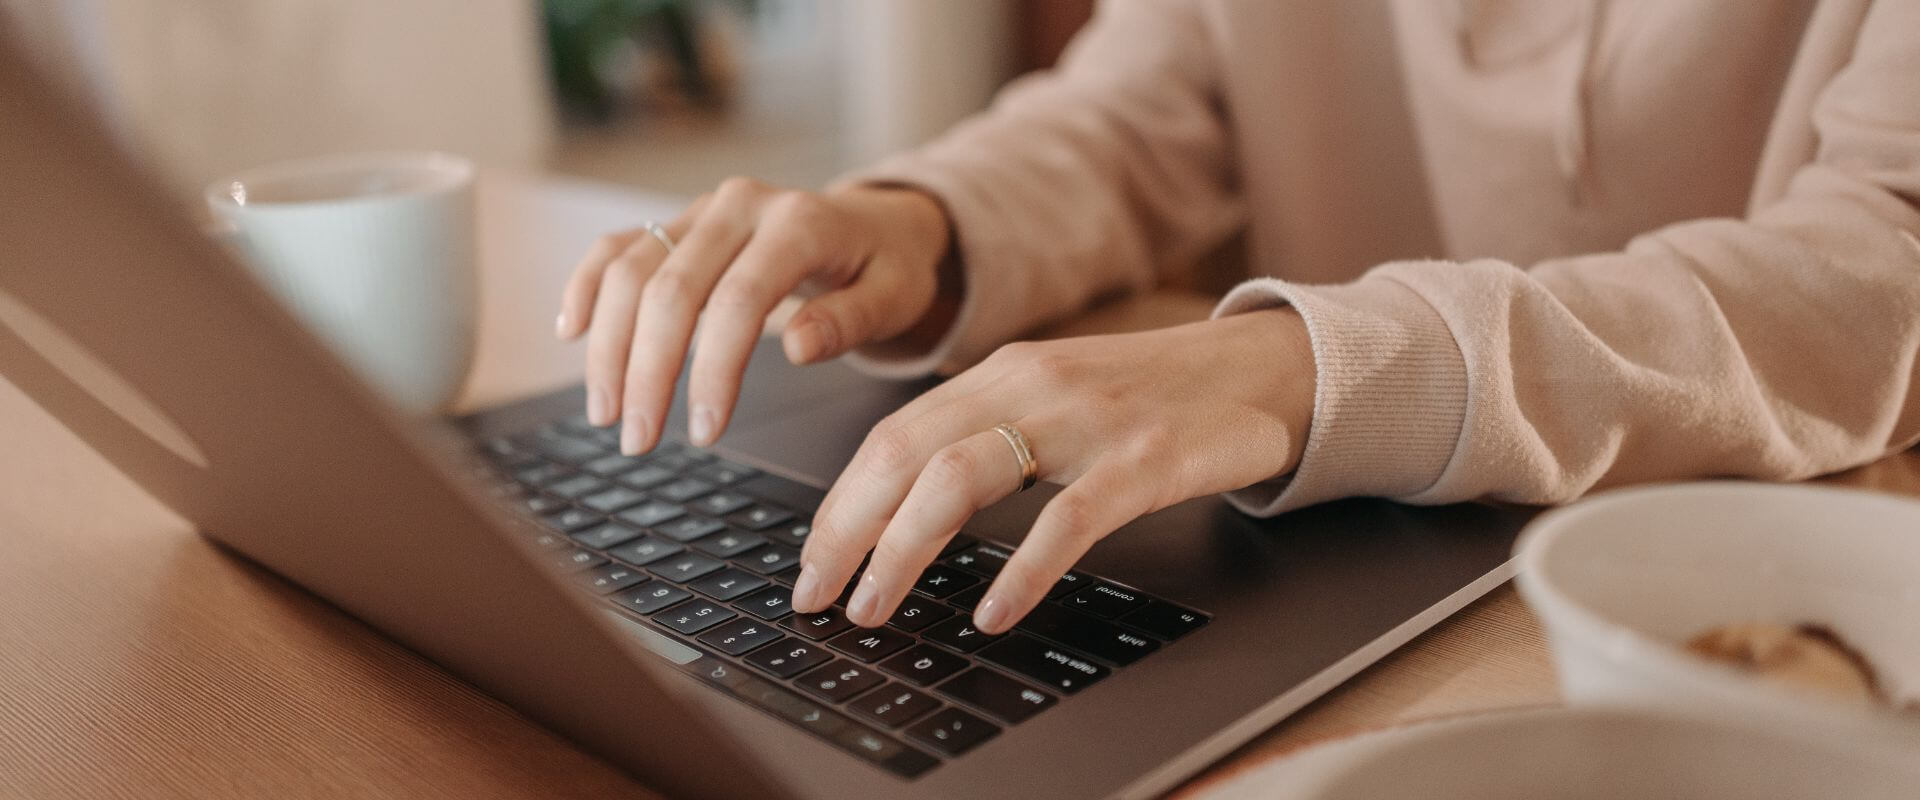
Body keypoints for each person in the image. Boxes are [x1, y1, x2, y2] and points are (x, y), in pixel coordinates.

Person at [553, 1, 1920, 637]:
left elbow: (1879, 263)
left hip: (1745, 606)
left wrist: (1304, 366)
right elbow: (1143, 110)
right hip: (1330, 578)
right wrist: (927, 223)